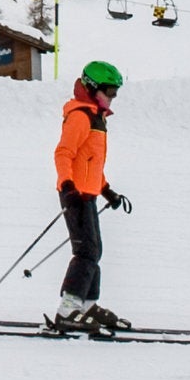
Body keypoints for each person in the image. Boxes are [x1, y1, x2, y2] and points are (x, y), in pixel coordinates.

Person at [49, 60, 134, 335]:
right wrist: (67, 185)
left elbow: (91, 161)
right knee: (85, 252)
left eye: (115, 92)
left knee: (95, 251)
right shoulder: (80, 116)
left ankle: (86, 305)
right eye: (109, 91)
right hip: (75, 195)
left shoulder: (97, 118)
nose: (113, 97)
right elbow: (64, 153)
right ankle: (67, 310)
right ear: (92, 88)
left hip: (89, 193)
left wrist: (106, 189)